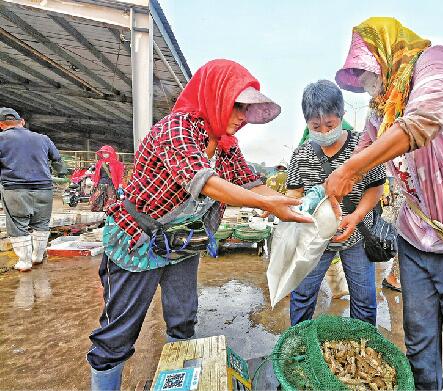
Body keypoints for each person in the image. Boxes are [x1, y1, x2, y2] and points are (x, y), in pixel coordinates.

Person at [86, 60, 311, 391]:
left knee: (183, 320)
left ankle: (176, 380)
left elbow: (250, 185)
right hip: (138, 239)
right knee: (118, 332)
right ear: (215, 96)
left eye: (247, 109)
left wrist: (294, 210)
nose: (242, 117)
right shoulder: (176, 129)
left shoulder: (225, 145)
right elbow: (202, 181)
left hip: (181, 243)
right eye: (237, 105)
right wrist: (265, 203)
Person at [325, 17, 443, 389]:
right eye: (360, 77)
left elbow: (425, 119)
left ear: (388, 52)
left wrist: (350, 169)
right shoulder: (385, 105)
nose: (366, 84)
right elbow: (363, 150)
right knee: (419, 346)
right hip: (415, 239)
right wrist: (328, 200)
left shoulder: (436, 62)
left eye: (368, 71)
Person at [285, 79, 386, 326]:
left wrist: (357, 216)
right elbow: (293, 194)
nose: (323, 132)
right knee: (302, 295)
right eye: (315, 126)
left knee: (363, 299)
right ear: (306, 123)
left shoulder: (362, 145)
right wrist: (281, 207)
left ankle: (363, 344)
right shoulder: (301, 154)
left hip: (357, 237)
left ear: (341, 115)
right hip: (315, 240)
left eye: (329, 124)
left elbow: (375, 187)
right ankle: (298, 344)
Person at [0, 108, 66, 272]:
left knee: (18, 224)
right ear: (21, 122)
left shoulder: (1, 139)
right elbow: (58, 160)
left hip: (15, 189)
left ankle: (24, 261)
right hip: (44, 189)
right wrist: (63, 174)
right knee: (41, 223)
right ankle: (37, 257)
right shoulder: (43, 138)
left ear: (1, 124)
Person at [89, 145, 125, 212]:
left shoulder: (117, 164)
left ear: (111, 153)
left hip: (111, 183)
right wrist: (94, 183)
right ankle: (98, 209)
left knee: (111, 198)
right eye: (103, 153)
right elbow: (96, 174)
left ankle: (108, 210)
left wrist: (120, 186)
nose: (104, 154)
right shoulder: (99, 163)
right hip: (101, 183)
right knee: (95, 198)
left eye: (106, 152)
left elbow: (120, 175)